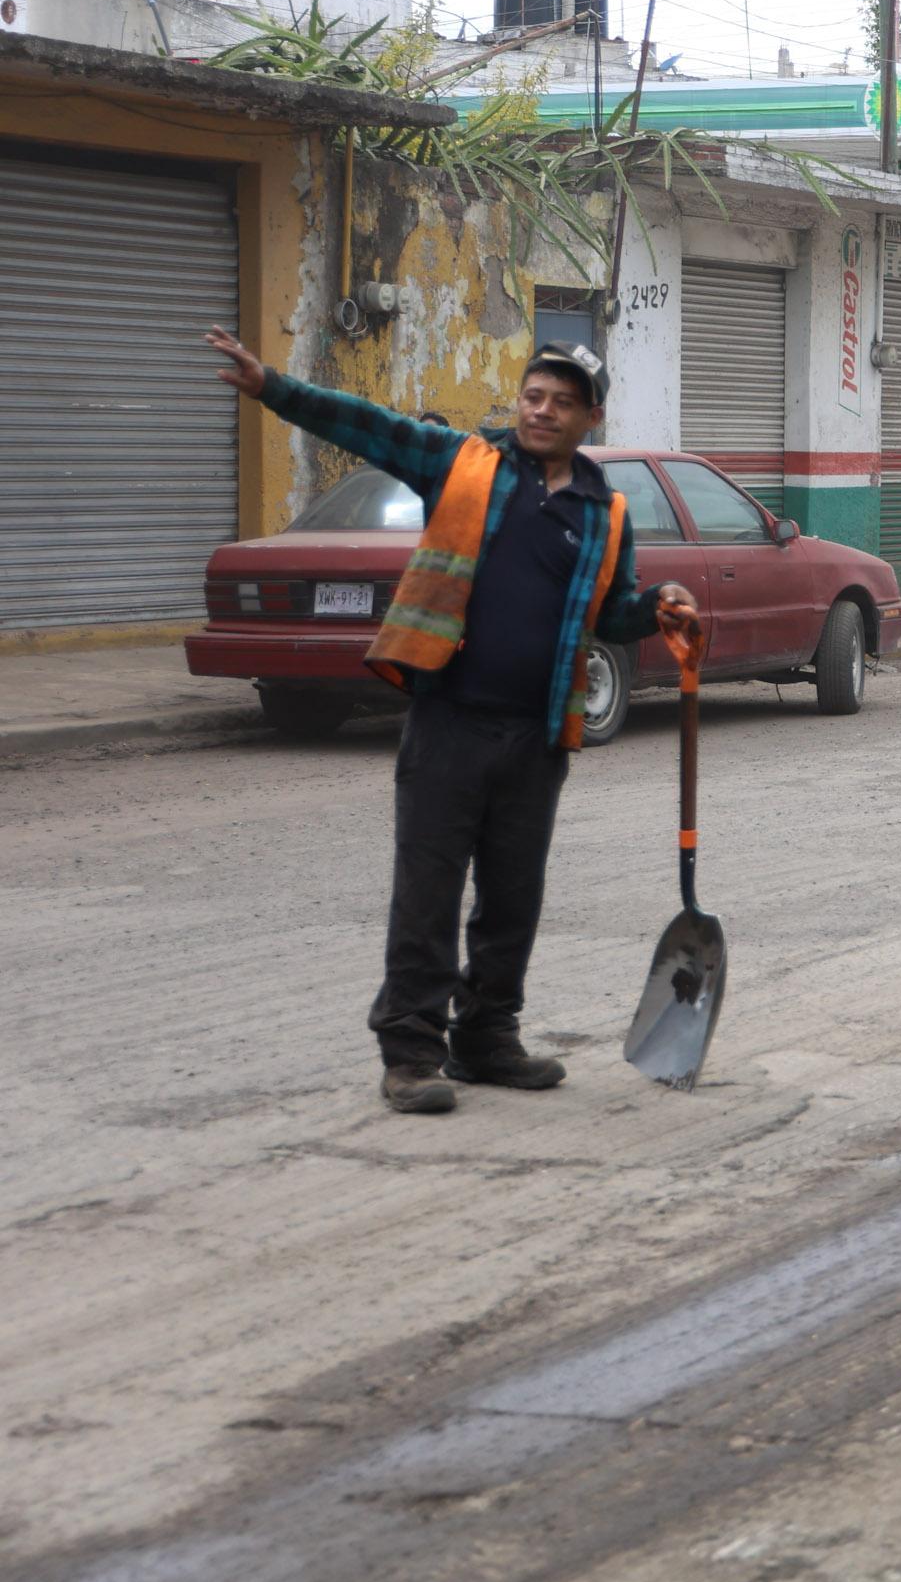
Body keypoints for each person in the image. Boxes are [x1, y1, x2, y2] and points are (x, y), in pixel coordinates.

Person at [204, 329, 697, 1116]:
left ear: (590, 417)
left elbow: (610, 610)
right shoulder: (464, 464)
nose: (543, 410)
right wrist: (273, 387)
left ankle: (487, 1038)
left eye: (562, 402)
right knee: (428, 894)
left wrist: (658, 608)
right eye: (534, 396)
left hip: (539, 735)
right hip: (448, 721)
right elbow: (367, 424)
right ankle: (410, 1054)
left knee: (513, 897)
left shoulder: (605, 512)